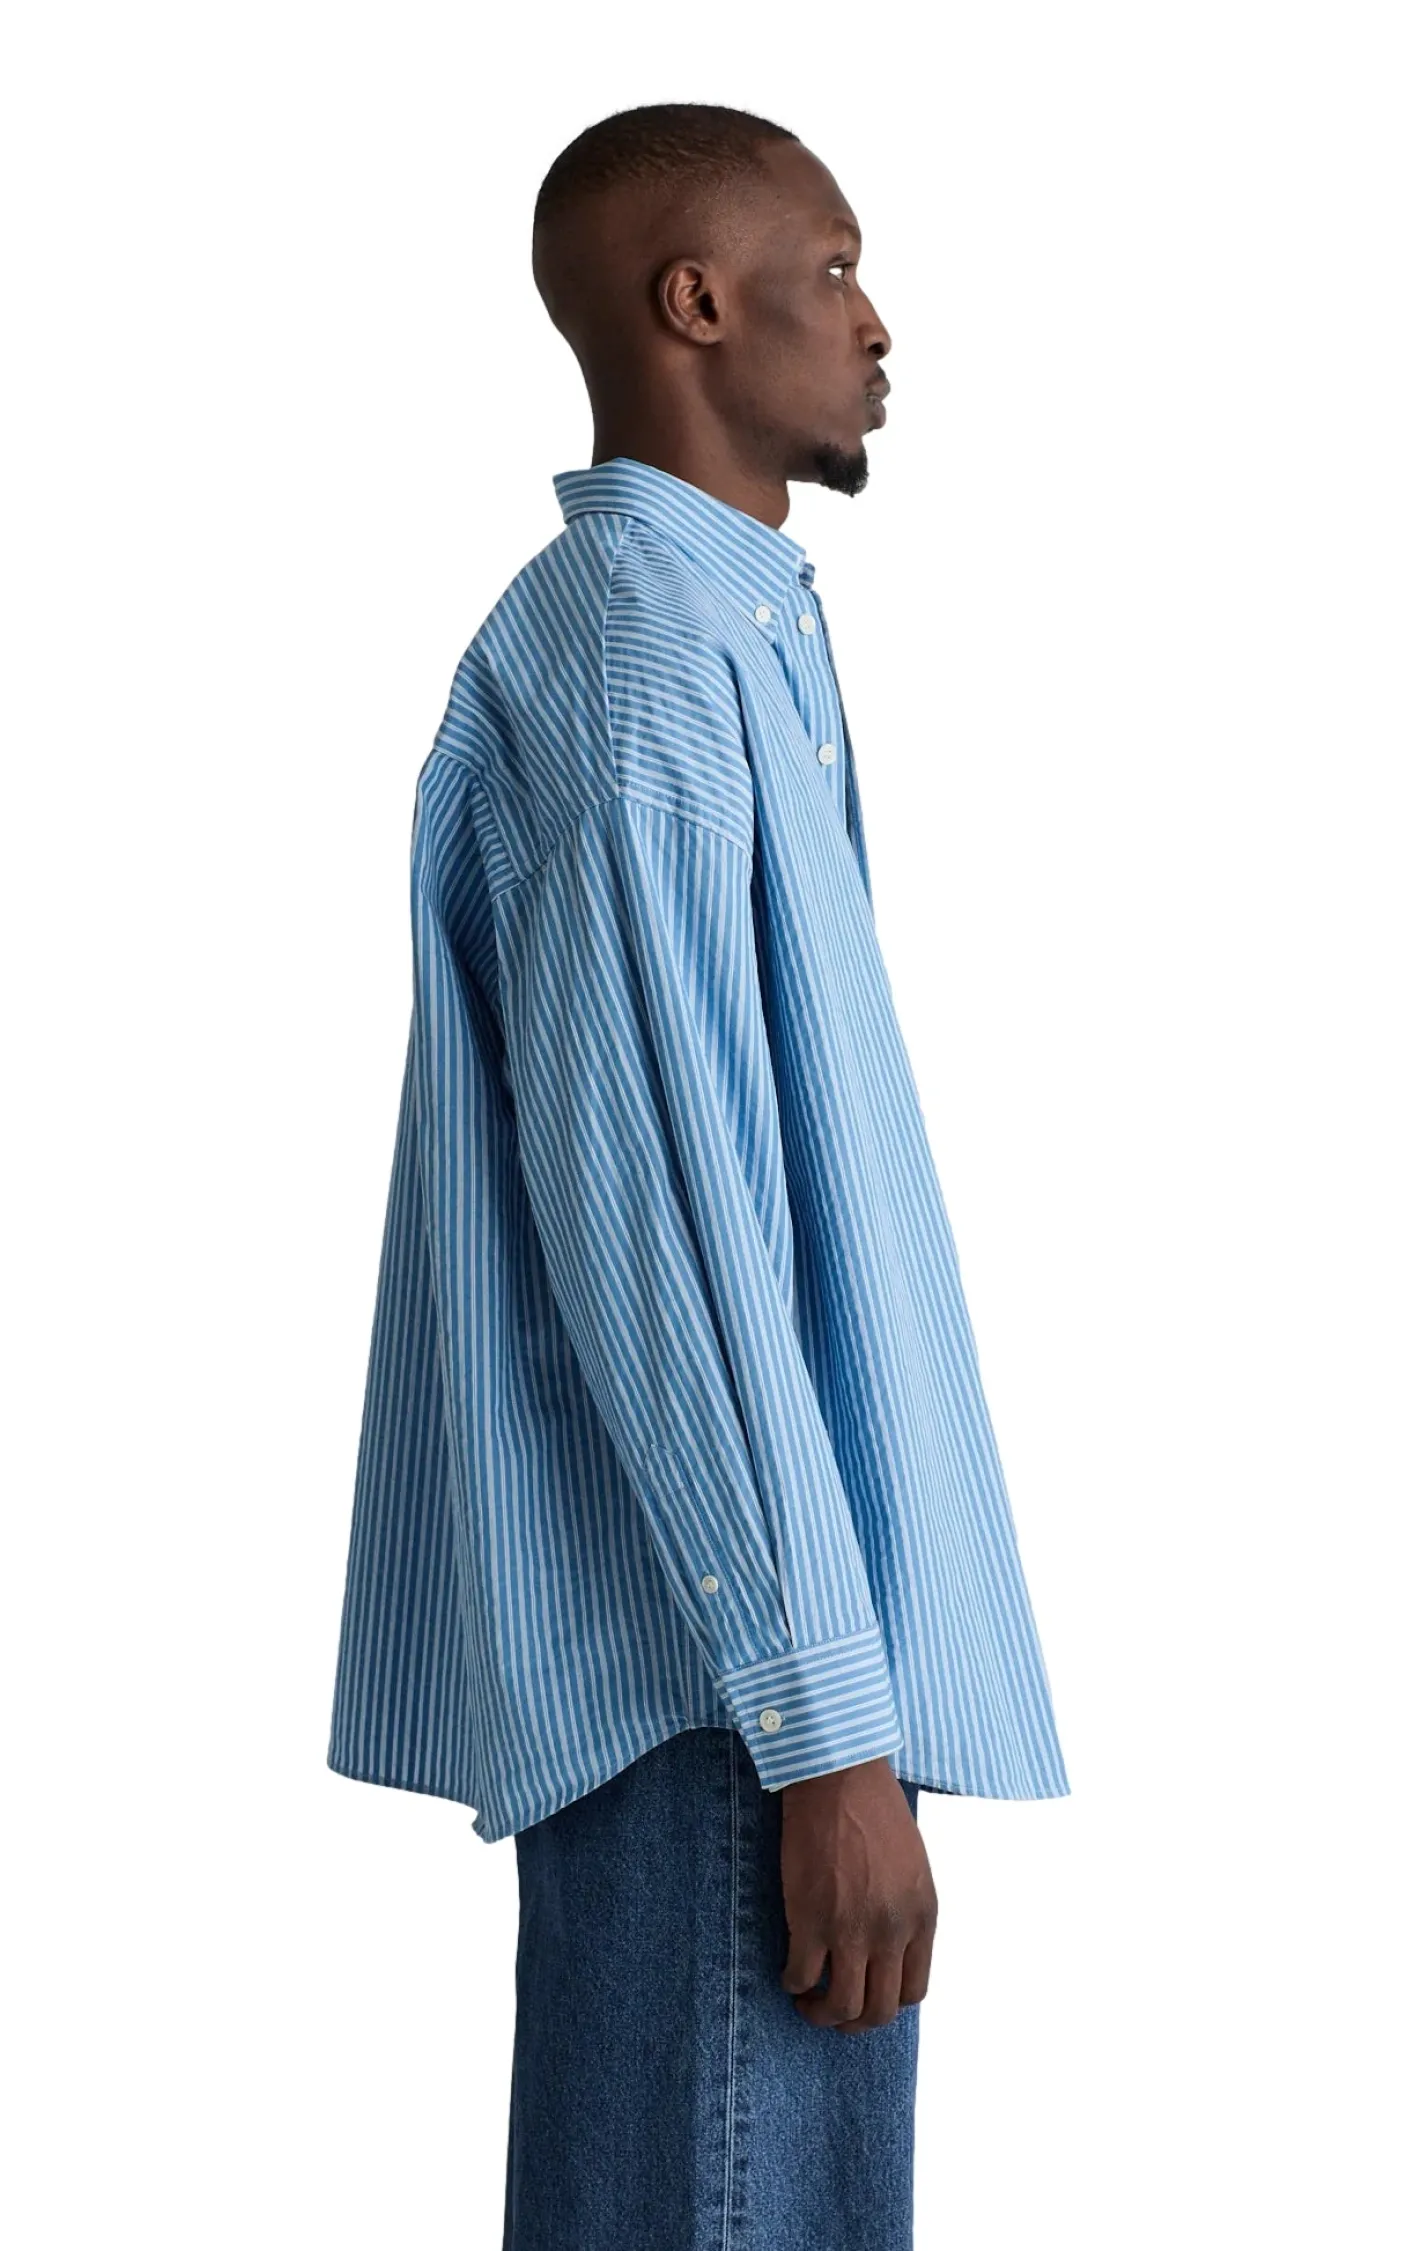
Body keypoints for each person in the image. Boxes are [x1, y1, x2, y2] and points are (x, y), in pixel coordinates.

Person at [327, 101, 1069, 2250]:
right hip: (726, 1696)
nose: (876, 322)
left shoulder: (714, 635)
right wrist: (824, 1733)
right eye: (832, 269)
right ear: (696, 305)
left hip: (740, 1671)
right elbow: (665, 1231)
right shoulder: (643, 664)